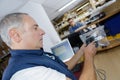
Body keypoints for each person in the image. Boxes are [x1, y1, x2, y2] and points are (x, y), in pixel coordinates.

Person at [0, 13, 97, 80]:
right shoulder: (26, 72)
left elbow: (63, 67)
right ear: (16, 35)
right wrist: (88, 56)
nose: (42, 32)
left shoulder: (35, 55)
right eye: (35, 28)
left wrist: (82, 51)